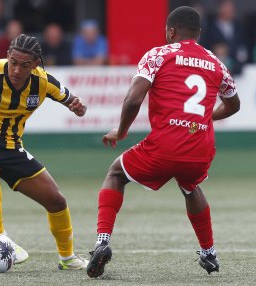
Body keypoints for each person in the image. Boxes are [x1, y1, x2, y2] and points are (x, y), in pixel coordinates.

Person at [86, 6, 240, 278]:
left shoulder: (158, 55)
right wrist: (205, 118)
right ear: (199, 33)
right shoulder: (216, 62)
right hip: (200, 148)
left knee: (116, 173)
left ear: (171, 31)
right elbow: (234, 105)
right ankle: (209, 251)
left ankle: (102, 242)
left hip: (165, 146)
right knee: (191, 186)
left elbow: (133, 99)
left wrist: (121, 132)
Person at [0, 33, 89, 270]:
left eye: (25, 65)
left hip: (10, 148)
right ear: (7, 56)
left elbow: (72, 100)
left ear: (36, 64)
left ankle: (68, 258)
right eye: (13, 62)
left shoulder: (44, 81)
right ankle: (1, 238)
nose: (17, 70)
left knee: (56, 200)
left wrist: (77, 107)